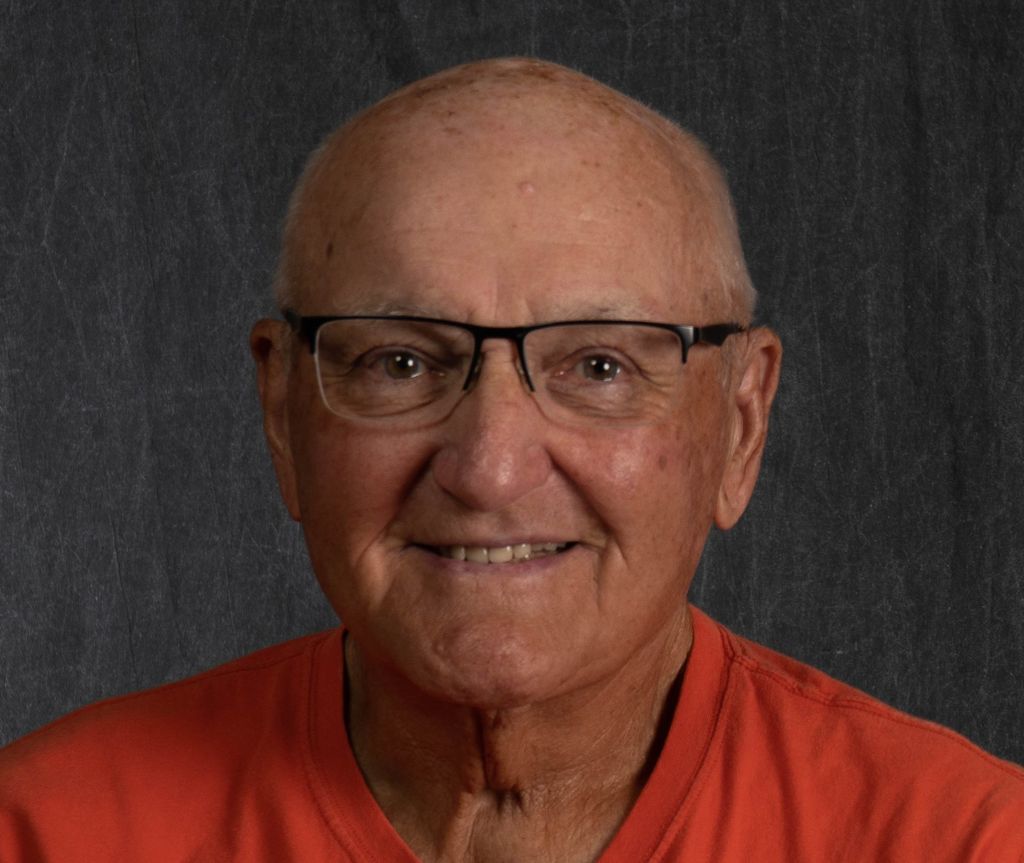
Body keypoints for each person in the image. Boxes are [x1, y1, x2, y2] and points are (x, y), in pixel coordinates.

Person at [1, 57, 1021, 862]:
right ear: (281, 412)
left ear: (740, 423)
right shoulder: (47, 831)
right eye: (401, 362)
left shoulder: (962, 841)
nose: (489, 470)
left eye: (599, 366)